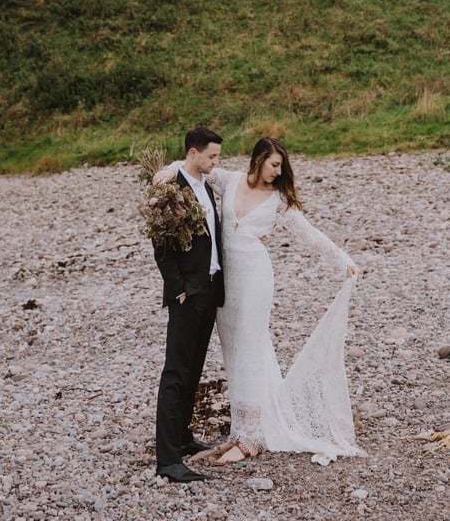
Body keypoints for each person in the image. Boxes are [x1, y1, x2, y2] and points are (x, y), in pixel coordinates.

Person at [154, 136, 362, 467]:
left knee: (252, 350)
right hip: (225, 283)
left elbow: (308, 235)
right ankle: (240, 430)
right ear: (259, 159)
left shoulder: (279, 200)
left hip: (255, 279)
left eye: (282, 167)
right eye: (274, 164)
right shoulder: (230, 180)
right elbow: (194, 168)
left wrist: (341, 259)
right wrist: (168, 169)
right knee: (234, 352)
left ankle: (252, 438)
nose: (278, 172)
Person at [152, 126, 225, 483]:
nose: (216, 161)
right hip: (187, 295)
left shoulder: (206, 185)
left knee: (194, 367)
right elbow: (161, 243)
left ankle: (181, 437)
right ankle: (167, 459)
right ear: (193, 153)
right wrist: (178, 288)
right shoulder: (170, 188)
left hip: (210, 289)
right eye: (212, 155)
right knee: (176, 372)